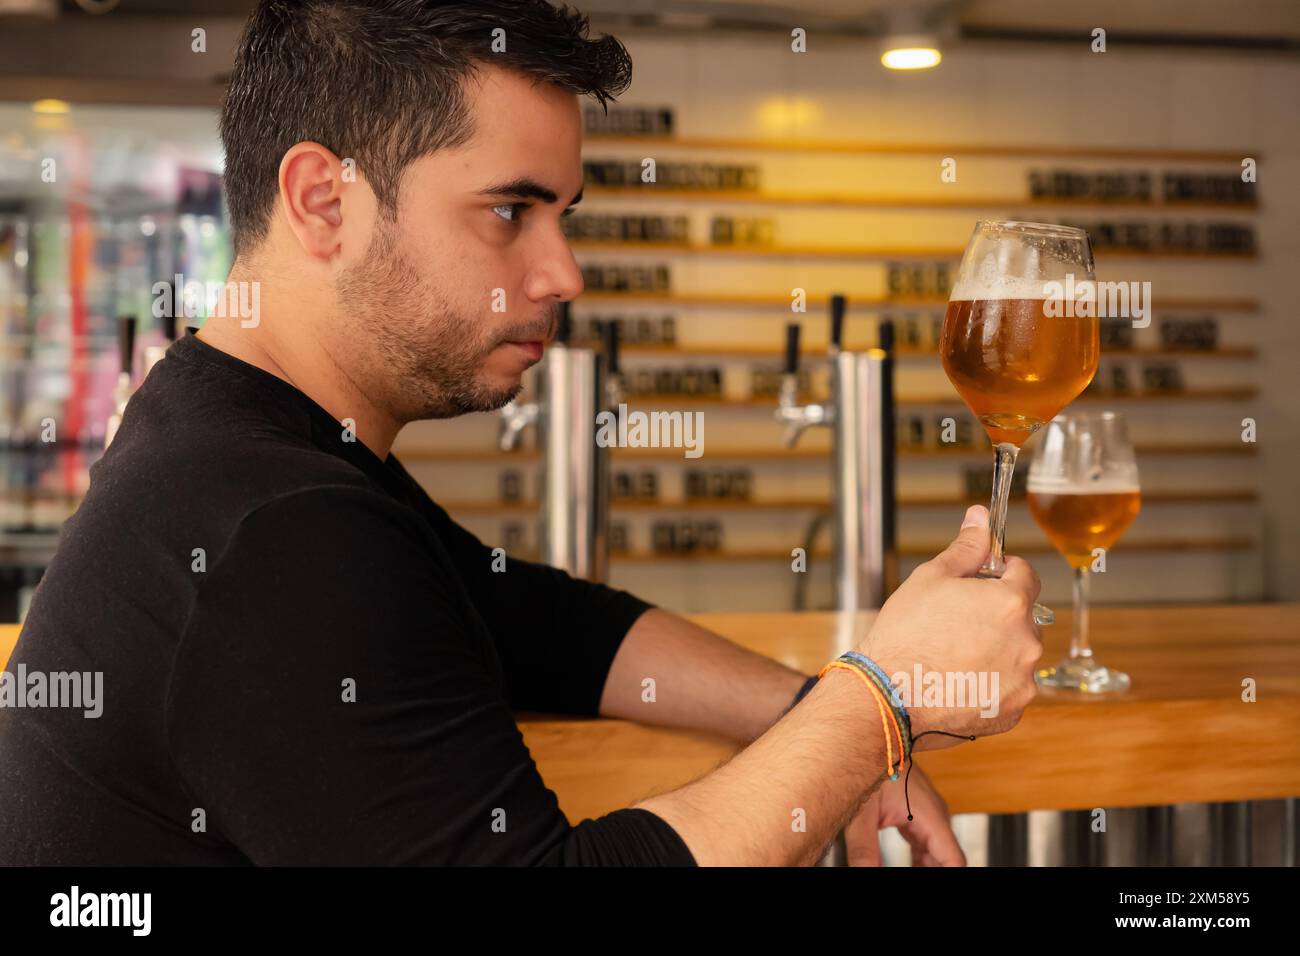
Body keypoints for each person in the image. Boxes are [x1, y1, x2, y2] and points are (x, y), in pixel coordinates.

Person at [0, 0, 1042, 866]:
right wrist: (880, 705)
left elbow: (524, 618)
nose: (563, 273)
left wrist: (810, 707)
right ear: (324, 201)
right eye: (509, 211)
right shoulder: (276, 526)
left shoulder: (238, 430)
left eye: (565, 215)